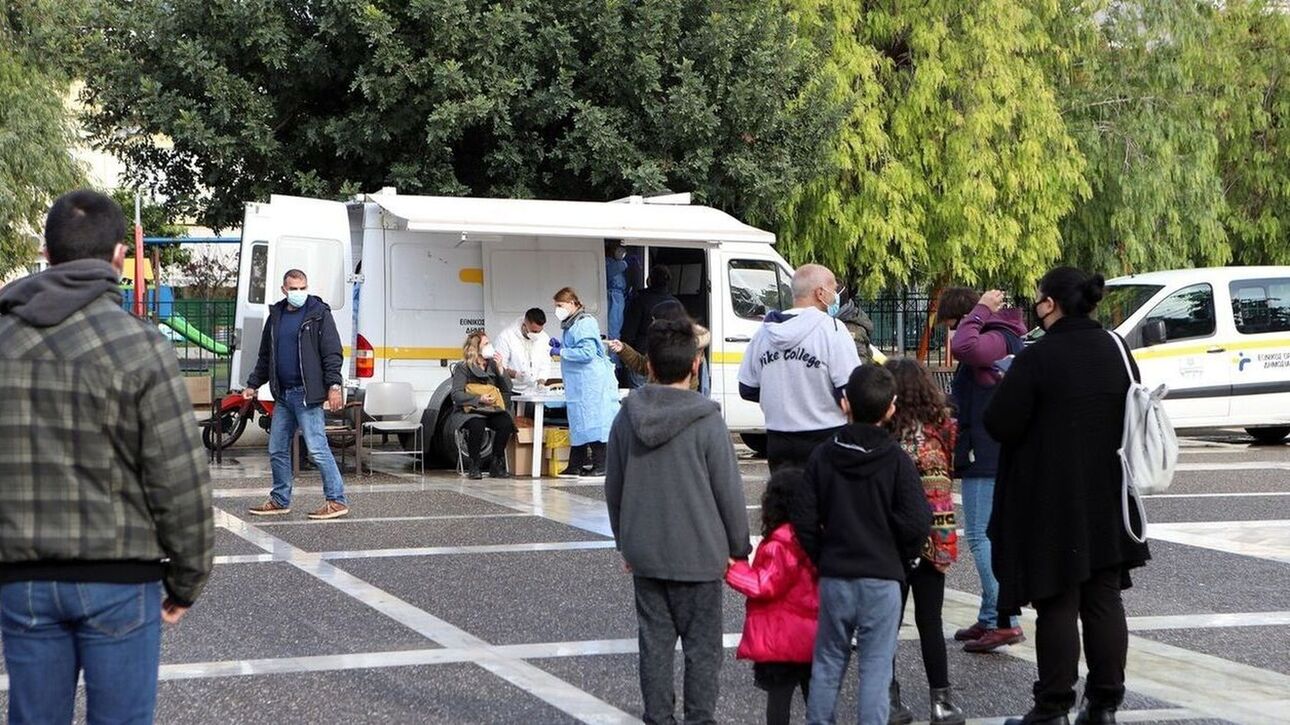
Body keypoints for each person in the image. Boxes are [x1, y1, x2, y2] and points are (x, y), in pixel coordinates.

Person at [0, 189, 214, 723]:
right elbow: (179, 476)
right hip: (121, 580)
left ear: (47, 256)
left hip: (22, 578)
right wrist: (187, 578)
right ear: (120, 256)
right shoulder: (139, 345)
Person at [984, 268, 1151, 725]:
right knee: (1104, 598)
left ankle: (1053, 705)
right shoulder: (1117, 349)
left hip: (1052, 495)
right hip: (1109, 492)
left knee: (1057, 599)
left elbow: (1001, 423)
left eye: (1038, 298)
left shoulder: (1039, 357)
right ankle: (1104, 705)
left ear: (1050, 304)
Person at [605, 318, 752, 725]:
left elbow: (613, 486)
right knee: (702, 649)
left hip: (647, 553)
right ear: (696, 365)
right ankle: (699, 719)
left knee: (654, 644)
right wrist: (738, 549)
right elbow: (729, 492)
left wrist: (625, 542)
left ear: (648, 365)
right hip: (702, 556)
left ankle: (658, 718)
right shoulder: (707, 421)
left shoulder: (627, 417)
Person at [792, 364, 932, 725]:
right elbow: (918, 521)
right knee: (875, 668)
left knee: (828, 662)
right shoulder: (898, 460)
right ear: (891, 408)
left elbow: (804, 517)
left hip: (837, 572)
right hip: (883, 575)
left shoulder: (824, 455)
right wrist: (900, 557)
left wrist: (823, 555)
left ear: (844, 404)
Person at [937, 285, 1028, 652]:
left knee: (979, 536)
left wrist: (978, 311)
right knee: (988, 534)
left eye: (951, 324)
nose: (950, 333)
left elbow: (965, 347)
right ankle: (992, 614)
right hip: (991, 448)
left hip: (989, 452)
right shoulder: (997, 339)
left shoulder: (993, 338)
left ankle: (1005, 619)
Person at [882, 359, 966, 725]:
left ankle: (889, 698)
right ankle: (941, 702)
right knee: (930, 620)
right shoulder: (943, 427)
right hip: (937, 529)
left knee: (889, 622)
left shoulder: (889, 434)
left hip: (894, 536)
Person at [244, 269, 350, 520]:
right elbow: (265, 356)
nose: (298, 293)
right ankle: (280, 499)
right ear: (284, 289)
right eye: (293, 288)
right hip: (283, 395)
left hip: (307, 395)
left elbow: (332, 353)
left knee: (317, 448)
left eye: (302, 288)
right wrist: (253, 384)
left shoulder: (318, 314)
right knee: (277, 448)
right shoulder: (276, 316)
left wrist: (334, 386)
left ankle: (336, 500)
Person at [738, 264, 862, 472]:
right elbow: (850, 388)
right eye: (833, 290)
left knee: (785, 500)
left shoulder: (765, 333)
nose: (835, 297)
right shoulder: (832, 330)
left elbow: (747, 388)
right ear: (820, 293)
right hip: (825, 434)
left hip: (778, 437)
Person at [726, 468, 819, 725]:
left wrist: (733, 569)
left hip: (781, 639)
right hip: (812, 635)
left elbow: (763, 584)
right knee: (817, 702)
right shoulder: (814, 538)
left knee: (779, 703)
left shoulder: (781, 543)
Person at [554, 287, 620, 479]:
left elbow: (587, 353)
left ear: (573, 303)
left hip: (591, 383)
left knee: (593, 422)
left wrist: (562, 352)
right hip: (579, 384)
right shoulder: (571, 324)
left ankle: (601, 464)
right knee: (579, 423)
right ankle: (575, 464)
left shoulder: (585, 323)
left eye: (560, 305)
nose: (557, 309)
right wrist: (562, 347)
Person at [448, 331, 517, 480]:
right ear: (476, 348)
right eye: (486, 344)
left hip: (491, 409)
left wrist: (500, 369)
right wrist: (479, 398)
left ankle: (497, 463)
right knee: (476, 424)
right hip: (470, 410)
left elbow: (507, 389)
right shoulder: (464, 367)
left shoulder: (492, 364)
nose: (490, 346)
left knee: (505, 423)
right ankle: (474, 464)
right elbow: (456, 394)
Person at [609, 299, 711, 393]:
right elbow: (644, 365)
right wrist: (623, 349)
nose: (652, 324)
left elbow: (645, 366)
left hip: (673, 400)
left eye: (655, 320)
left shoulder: (683, 348)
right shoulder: (668, 343)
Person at [620, 265, 678, 385]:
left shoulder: (639, 300)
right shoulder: (676, 304)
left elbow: (628, 333)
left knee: (641, 399)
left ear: (649, 280)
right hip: (667, 361)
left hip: (641, 357)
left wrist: (625, 356)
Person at [494, 307, 552, 392]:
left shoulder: (544, 337)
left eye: (539, 331)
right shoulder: (506, 337)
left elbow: (545, 365)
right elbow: (499, 366)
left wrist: (541, 383)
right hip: (511, 389)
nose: (537, 334)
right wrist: (516, 374)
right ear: (524, 325)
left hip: (533, 391)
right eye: (534, 331)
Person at [606, 240, 630, 341]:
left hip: (618, 296)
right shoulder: (608, 262)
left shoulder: (613, 262)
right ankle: (613, 356)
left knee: (616, 328)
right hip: (613, 296)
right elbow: (621, 266)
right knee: (613, 331)